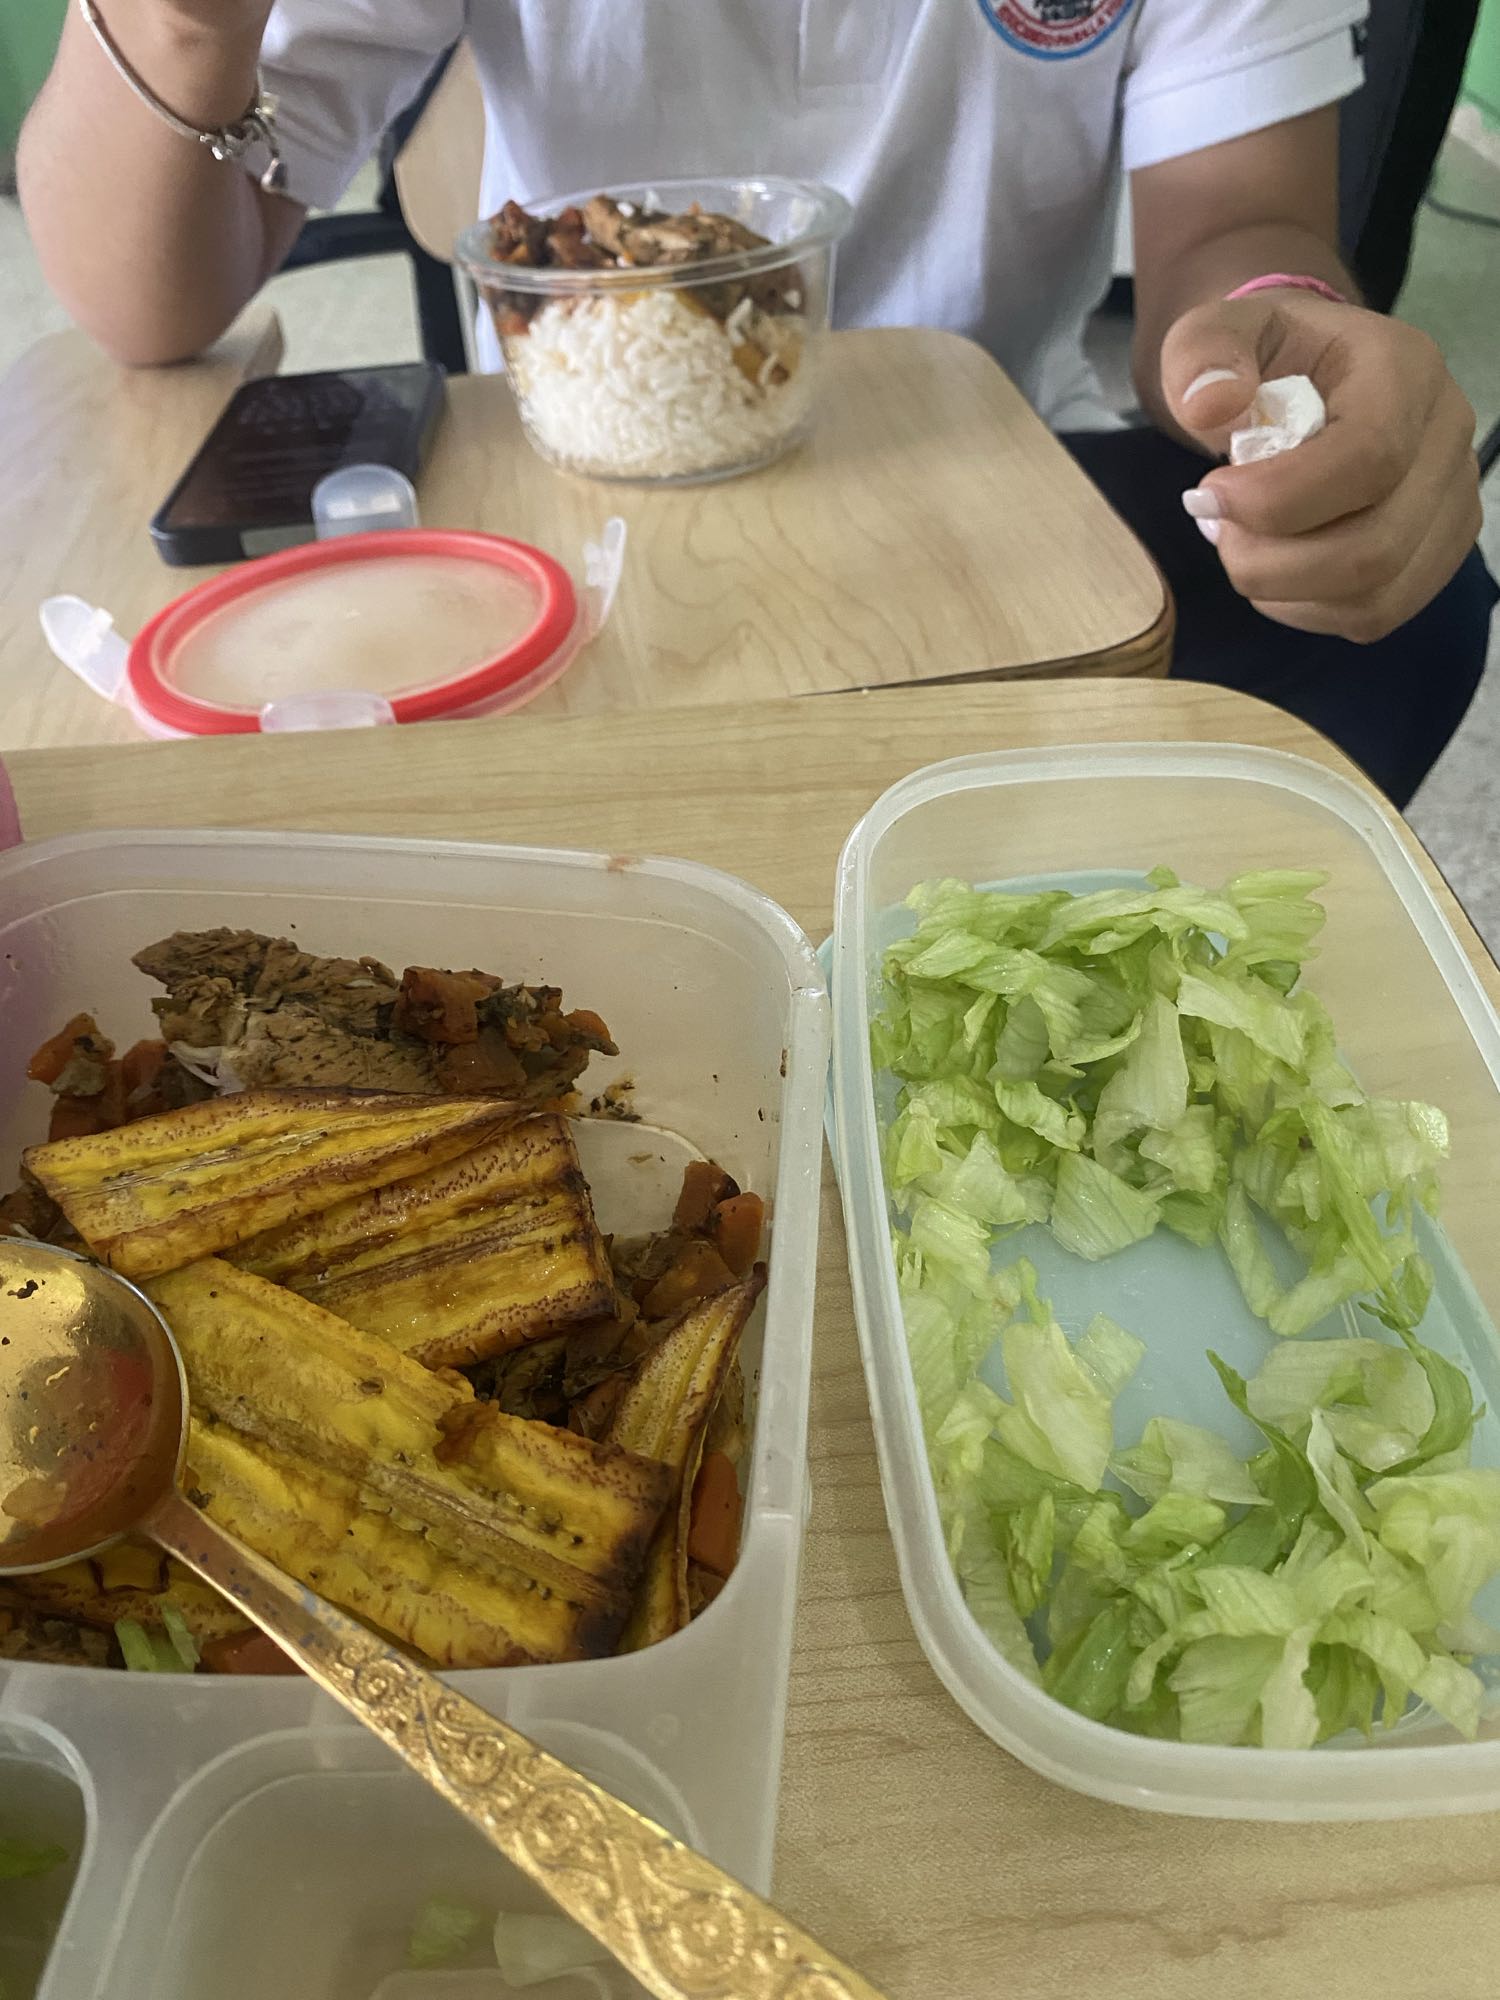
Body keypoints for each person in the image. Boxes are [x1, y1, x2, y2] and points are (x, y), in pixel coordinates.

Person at [20, 1, 1494, 805]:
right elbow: (145, 306)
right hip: (582, 496)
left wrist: (1274, 334)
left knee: (1402, 612)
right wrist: (184, 29)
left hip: (993, 485)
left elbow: (1238, 223)